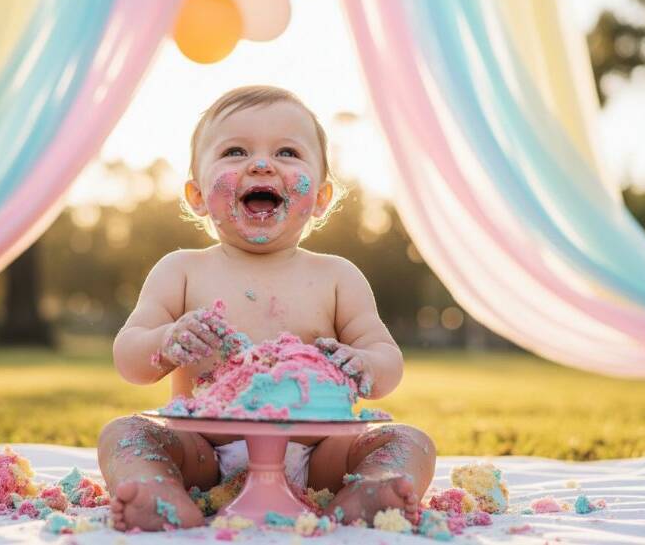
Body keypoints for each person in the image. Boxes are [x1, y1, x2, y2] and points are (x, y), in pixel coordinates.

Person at [98, 85, 436, 531]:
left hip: (319, 457)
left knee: (409, 441)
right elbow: (129, 359)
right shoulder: (181, 270)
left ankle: (372, 489)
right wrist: (165, 341)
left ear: (320, 198)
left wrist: (364, 363)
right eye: (235, 151)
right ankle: (155, 489)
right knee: (125, 434)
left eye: (288, 152)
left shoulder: (337, 277)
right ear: (196, 194)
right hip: (203, 454)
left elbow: (386, 359)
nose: (261, 163)